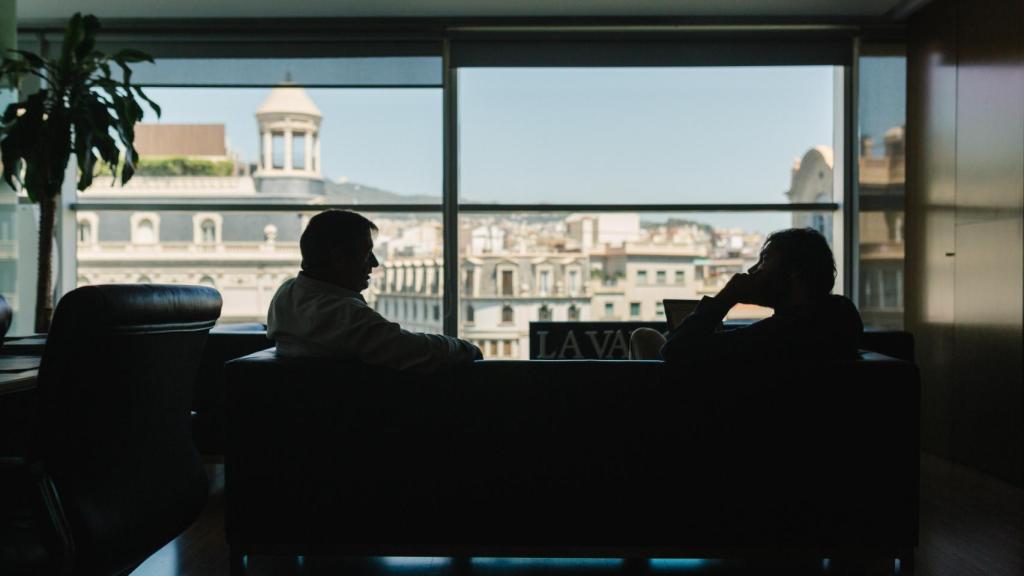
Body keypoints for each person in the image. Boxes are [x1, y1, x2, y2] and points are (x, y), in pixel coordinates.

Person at [268, 210, 482, 373]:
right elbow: (408, 349)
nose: (375, 263)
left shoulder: (286, 294)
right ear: (339, 259)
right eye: (366, 253)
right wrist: (464, 348)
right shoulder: (345, 315)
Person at [630, 227, 862, 363]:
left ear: (794, 273)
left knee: (645, 337)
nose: (753, 270)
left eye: (765, 260)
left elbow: (675, 351)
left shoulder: (778, 335)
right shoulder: (841, 314)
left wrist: (727, 297)